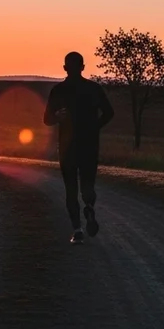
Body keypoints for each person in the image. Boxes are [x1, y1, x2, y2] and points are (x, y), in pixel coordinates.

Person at [43, 51, 115, 244]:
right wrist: (94, 128)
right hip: (89, 145)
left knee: (70, 189)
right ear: (83, 67)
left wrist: (59, 117)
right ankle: (89, 207)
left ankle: (77, 230)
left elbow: (47, 120)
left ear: (65, 68)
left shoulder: (58, 90)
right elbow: (109, 113)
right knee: (88, 185)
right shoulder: (94, 89)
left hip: (67, 147)